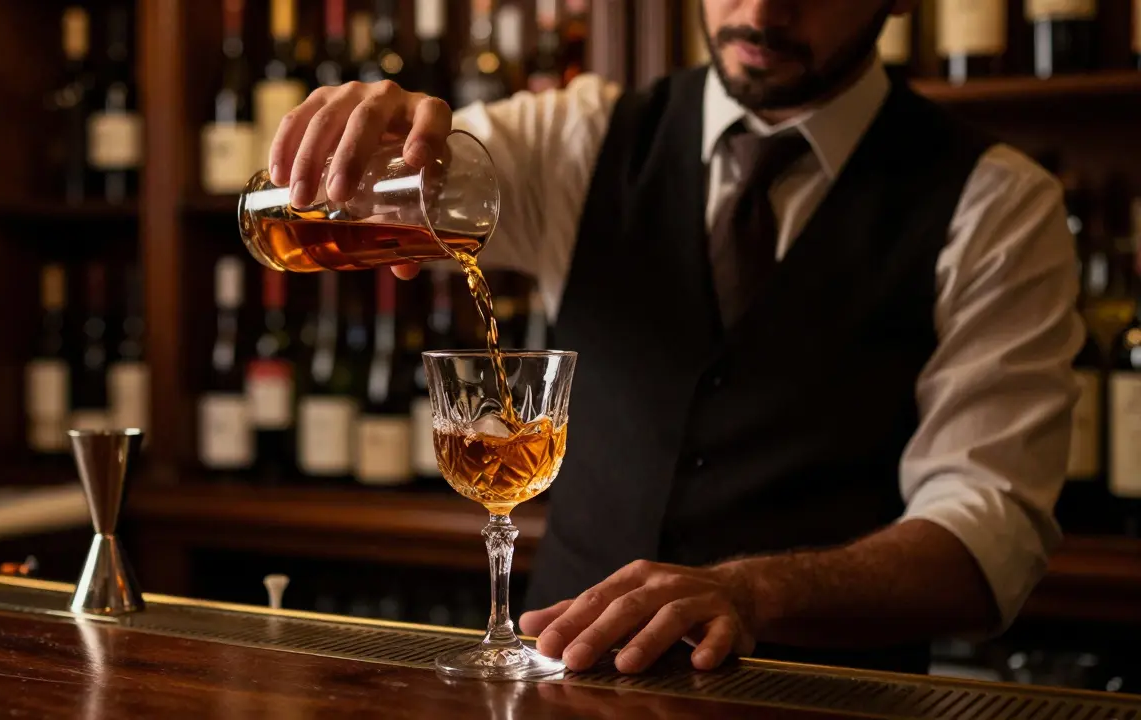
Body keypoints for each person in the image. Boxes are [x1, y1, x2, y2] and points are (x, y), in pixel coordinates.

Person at [268, 0, 1081, 676]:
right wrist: (387, 139)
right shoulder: (580, 138)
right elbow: (441, 166)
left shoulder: (996, 204)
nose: (761, 11)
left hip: (819, 701)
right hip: (561, 686)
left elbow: (987, 537)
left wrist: (756, 593)